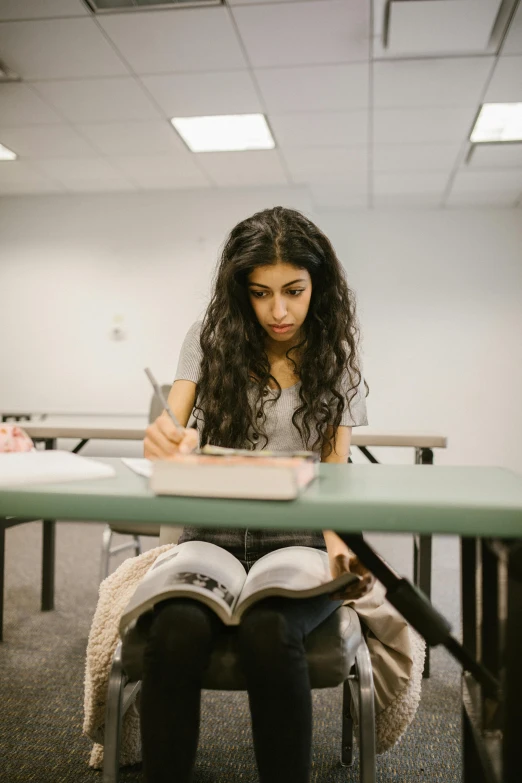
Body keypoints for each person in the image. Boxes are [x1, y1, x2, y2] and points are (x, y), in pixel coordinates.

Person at [142, 206, 373, 783]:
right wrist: (164, 440)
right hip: (213, 533)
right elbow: (172, 424)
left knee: (270, 631)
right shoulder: (209, 338)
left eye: (293, 291)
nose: (278, 310)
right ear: (239, 290)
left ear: (317, 286)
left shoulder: (337, 354)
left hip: (299, 538)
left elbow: (334, 468)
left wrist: (340, 546)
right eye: (260, 293)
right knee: (175, 630)